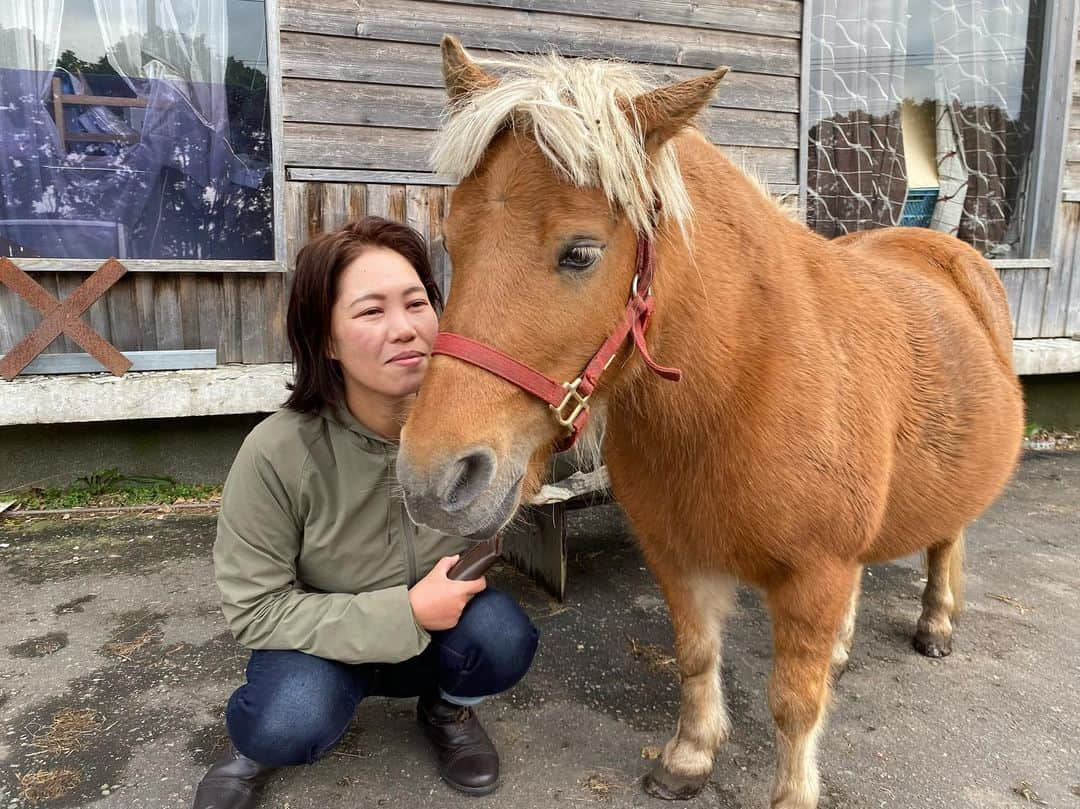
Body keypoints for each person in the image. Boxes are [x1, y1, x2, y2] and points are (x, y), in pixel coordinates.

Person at [193, 217, 539, 809]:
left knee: (505, 636)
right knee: (285, 721)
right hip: (323, 645)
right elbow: (254, 610)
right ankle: (256, 749)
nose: (405, 329)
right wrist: (402, 610)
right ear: (325, 339)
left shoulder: (467, 433)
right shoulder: (279, 450)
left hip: (433, 635)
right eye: (371, 312)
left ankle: (446, 709)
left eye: (416, 302)